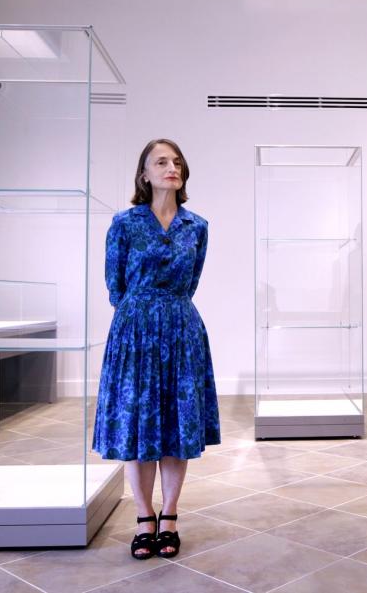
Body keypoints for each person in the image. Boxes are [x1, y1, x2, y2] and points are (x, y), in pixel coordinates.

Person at [93, 138, 220, 560]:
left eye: (177, 161)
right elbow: (115, 285)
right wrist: (142, 315)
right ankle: (144, 516)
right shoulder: (125, 224)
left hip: (182, 330)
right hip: (135, 331)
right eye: (161, 161)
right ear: (144, 174)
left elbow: (194, 279)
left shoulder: (196, 226)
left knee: (175, 426)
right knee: (137, 424)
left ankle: (170, 515)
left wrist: (168, 310)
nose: (171, 167)